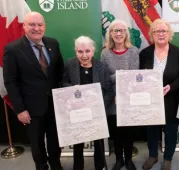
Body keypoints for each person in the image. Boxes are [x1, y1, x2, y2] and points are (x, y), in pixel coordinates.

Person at [3, 12, 64, 170]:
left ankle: (56, 166)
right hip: (30, 108)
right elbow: (10, 81)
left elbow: (59, 72)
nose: (36, 28)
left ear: (45, 26)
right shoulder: (12, 49)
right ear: (24, 26)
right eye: (32, 24)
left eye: (40, 24)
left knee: (55, 141)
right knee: (37, 145)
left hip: (54, 105)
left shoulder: (53, 43)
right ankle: (42, 167)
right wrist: (20, 109)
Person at [139, 19, 179, 170]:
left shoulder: (178, 53)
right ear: (152, 34)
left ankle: (168, 158)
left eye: (164, 31)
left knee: (170, 131)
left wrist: (172, 86)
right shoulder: (145, 54)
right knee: (151, 130)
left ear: (169, 34)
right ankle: (153, 156)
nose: (161, 34)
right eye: (157, 31)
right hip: (151, 100)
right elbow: (138, 75)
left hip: (172, 99)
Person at [62, 36, 114, 170]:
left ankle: (100, 166)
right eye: (80, 51)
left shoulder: (101, 67)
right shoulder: (69, 64)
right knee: (78, 143)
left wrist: (99, 106)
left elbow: (109, 90)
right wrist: (72, 91)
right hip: (77, 112)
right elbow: (63, 83)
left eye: (87, 51)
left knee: (99, 143)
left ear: (93, 51)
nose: (84, 55)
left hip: (96, 113)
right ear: (75, 51)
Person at [101, 19, 139, 170]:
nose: (118, 33)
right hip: (112, 99)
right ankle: (119, 160)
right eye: (115, 30)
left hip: (129, 98)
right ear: (110, 34)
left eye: (121, 30)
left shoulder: (134, 51)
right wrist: (121, 75)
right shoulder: (105, 53)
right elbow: (104, 78)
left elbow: (134, 76)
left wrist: (118, 77)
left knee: (129, 133)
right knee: (116, 133)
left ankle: (129, 159)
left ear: (126, 33)